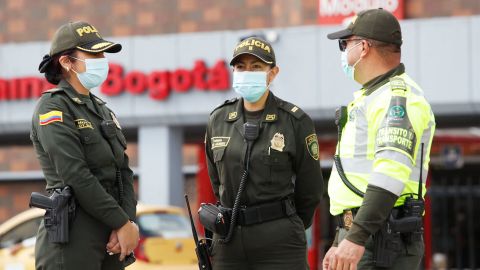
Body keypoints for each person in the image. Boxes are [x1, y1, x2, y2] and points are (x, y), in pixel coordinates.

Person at [322, 8, 436, 270]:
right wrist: (343, 236)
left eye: (345, 44)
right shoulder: (374, 97)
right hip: (365, 235)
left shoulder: (397, 100)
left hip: (380, 240)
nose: (343, 52)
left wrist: (356, 236)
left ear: (363, 47)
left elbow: (389, 174)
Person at [204, 36, 324, 270]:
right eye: (241, 67)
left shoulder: (294, 121)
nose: (247, 72)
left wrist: (289, 225)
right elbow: (217, 180)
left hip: (279, 240)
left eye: (256, 67)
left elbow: (310, 189)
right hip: (229, 240)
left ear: (273, 73)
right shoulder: (218, 119)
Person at [31, 21, 139, 270]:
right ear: (67, 62)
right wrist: (121, 223)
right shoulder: (53, 107)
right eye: (93, 54)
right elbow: (75, 174)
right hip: (74, 233)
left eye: (102, 54)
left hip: (111, 236)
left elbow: (123, 171)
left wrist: (127, 223)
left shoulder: (102, 110)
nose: (102, 60)